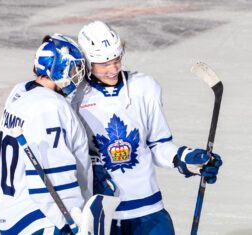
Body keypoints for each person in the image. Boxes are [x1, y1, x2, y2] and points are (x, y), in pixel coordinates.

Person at [72, 21, 223, 235]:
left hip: (149, 210)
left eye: (116, 60)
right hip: (102, 217)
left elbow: (158, 145)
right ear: (87, 62)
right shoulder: (75, 98)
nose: (113, 68)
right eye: (104, 64)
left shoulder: (144, 87)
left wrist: (187, 159)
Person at [0, 33, 92, 235]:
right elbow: (54, 174)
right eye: (74, 68)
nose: (77, 75)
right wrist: (73, 219)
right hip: (42, 220)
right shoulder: (51, 107)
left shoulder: (20, 92)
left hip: (10, 214)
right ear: (59, 67)